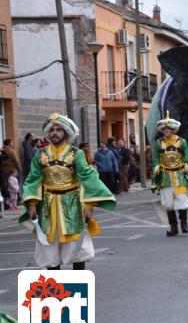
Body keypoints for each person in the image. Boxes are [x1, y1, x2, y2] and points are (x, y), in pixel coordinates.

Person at [19, 113, 116, 270]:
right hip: (47, 207)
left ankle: (78, 285)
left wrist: (89, 206)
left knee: (76, 247)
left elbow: (87, 177)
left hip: (72, 204)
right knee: (49, 247)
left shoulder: (76, 153)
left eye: (58, 130)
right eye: (52, 130)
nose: (55, 133)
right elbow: (33, 179)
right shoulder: (40, 154)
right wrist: (31, 203)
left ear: (65, 133)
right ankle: (55, 287)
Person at [152, 111, 188, 236]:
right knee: (168, 204)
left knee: (182, 200)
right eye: (164, 129)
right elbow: (156, 159)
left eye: (169, 128)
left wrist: (186, 165)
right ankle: (173, 227)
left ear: (173, 129)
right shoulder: (159, 143)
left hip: (179, 175)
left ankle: (184, 224)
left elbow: (187, 157)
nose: (166, 130)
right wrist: (156, 166)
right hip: (165, 177)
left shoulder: (182, 142)